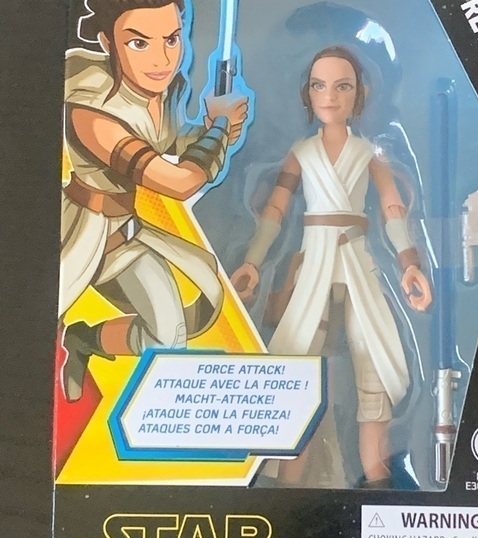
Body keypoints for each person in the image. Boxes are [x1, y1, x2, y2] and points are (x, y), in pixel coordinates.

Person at [231, 46, 431, 487]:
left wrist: (409, 264)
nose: (330, 96)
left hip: (358, 265)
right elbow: (274, 211)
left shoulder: (369, 154)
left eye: (343, 86)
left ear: (360, 94)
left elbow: (393, 209)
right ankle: (287, 488)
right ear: (307, 92)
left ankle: (377, 479)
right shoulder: (301, 153)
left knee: (373, 370)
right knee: (297, 372)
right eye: (320, 86)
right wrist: (252, 262)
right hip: (313, 265)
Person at [60, 0, 249, 402]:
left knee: (171, 333)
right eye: (139, 43)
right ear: (107, 42)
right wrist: (217, 133)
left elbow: (169, 145)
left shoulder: (157, 93)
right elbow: (179, 182)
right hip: (79, 235)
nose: (162, 59)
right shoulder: (90, 110)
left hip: (123, 234)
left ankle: (85, 339)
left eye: (172, 39)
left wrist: (212, 129)